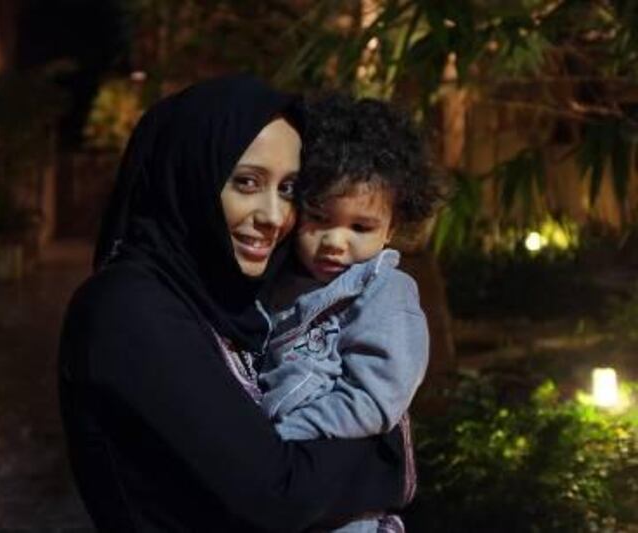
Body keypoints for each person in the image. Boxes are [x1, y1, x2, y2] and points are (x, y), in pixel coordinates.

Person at [58, 76, 411, 532]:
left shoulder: (224, 297)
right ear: (190, 174)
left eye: (288, 189)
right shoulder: (128, 308)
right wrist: (388, 452)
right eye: (246, 182)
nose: (273, 216)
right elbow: (279, 493)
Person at [259, 94, 443, 532]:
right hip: (291, 492)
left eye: (360, 227)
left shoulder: (386, 291)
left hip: (345, 514)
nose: (335, 242)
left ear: (392, 228)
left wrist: (283, 440)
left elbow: (375, 399)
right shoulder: (284, 283)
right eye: (320, 220)